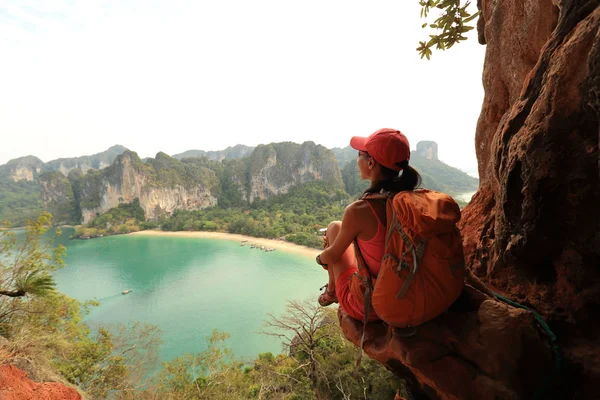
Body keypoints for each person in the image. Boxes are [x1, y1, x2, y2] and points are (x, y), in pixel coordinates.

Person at [315, 128, 422, 322]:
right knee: (337, 228)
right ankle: (333, 290)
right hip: (410, 290)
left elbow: (332, 255)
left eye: (359, 155)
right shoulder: (412, 199)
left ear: (371, 163)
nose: (357, 160)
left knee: (333, 229)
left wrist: (320, 258)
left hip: (373, 304)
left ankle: (332, 292)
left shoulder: (360, 210)